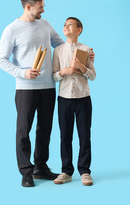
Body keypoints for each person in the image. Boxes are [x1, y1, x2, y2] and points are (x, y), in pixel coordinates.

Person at [0, 0, 95, 187]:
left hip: (49, 86)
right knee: (23, 130)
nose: (44, 10)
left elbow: (62, 45)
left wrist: (85, 54)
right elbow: (1, 60)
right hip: (25, 87)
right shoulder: (11, 29)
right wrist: (23, 72)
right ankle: (26, 171)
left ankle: (40, 167)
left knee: (45, 129)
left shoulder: (45, 25)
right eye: (41, 7)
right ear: (29, 6)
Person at [53, 17, 96, 186]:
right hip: (64, 98)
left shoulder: (86, 50)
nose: (66, 27)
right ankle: (66, 171)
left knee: (84, 135)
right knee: (65, 135)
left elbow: (92, 76)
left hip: (83, 98)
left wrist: (81, 67)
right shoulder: (58, 51)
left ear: (79, 29)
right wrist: (63, 71)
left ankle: (85, 171)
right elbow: (53, 75)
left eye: (70, 24)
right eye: (64, 25)